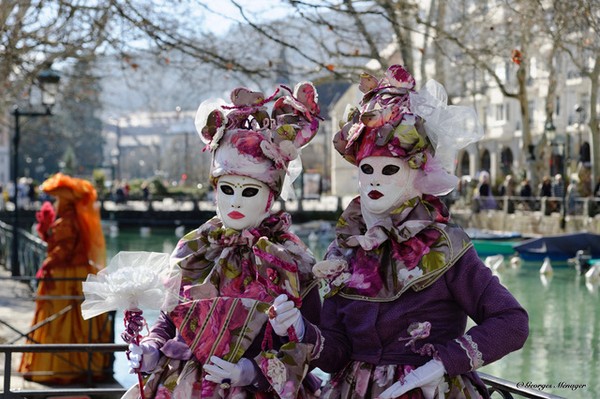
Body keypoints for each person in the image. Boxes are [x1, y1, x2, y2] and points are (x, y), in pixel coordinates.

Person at [271, 66, 529, 399]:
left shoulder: (445, 246)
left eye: (389, 169)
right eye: (367, 169)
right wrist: (300, 329)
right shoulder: (344, 250)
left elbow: (511, 322)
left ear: (416, 173)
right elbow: (336, 355)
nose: (375, 180)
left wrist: (441, 364)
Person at [123, 82, 323, 399]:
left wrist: (254, 371)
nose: (235, 203)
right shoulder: (196, 249)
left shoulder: (291, 259)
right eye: (227, 189)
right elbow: (169, 319)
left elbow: (314, 343)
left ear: (270, 197)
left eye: (249, 191)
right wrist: (150, 348)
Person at [18, 173, 112, 383]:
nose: (55, 203)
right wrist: (47, 233)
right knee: (73, 316)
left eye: (58, 199)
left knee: (62, 314)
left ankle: (63, 367)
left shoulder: (67, 221)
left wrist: (48, 264)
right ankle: (79, 365)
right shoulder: (71, 219)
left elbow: (64, 250)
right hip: (76, 272)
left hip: (66, 275)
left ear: (66, 200)